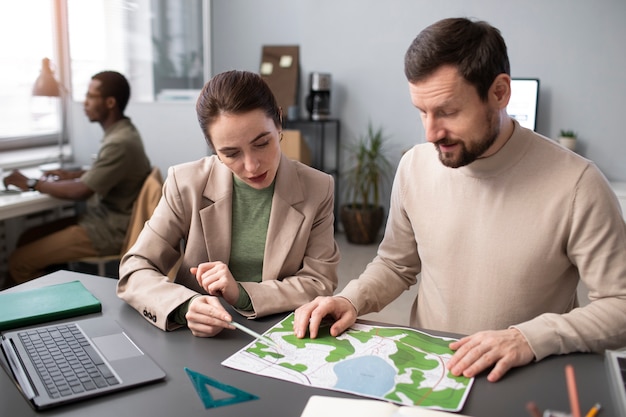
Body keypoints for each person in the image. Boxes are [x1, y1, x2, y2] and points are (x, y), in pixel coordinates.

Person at [294, 17, 626, 383]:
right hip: (434, 374)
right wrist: (351, 299)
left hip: (524, 375)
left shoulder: (579, 184)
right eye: (422, 111)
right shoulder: (414, 166)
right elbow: (395, 264)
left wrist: (528, 338)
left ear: (500, 93)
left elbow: (620, 305)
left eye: (448, 112)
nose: (431, 132)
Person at [117, 70, 339, 337]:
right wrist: (185, 306)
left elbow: (319, 282)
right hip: (200, 337)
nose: (251, 165)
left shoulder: (318, 188)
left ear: (278, 122)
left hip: (282, 334)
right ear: (212, 147)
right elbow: (135, 268)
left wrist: (242, 293)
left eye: (262, 143)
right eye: (230, 153)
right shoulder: (186, 183)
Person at [3, 71, 151, 286]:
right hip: (102, 219)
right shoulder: (123, 133)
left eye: (91, 96)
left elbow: (81, 191)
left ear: (110, 102)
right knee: (28, 237)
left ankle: (35, 313)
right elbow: (106, 174)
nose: (85, 103)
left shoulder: (120, 142)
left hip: (107, 230)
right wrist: (72, 175)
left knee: (18, 261)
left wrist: (33, 183)